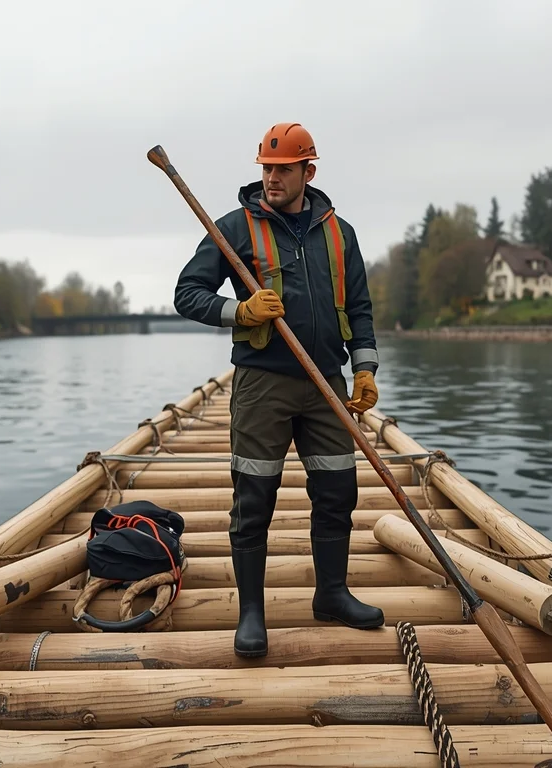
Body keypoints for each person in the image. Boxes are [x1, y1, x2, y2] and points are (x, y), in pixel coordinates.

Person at [173, 122, 383, 657]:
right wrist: (238, 310)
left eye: (283, 169)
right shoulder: (233, 229)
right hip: (263, 385)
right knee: (254, 497)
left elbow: (358, 309)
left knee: (338, 492)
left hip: (326, 384)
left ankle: (332, 594)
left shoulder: (340, 233)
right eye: (266, 168)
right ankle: (251, 614)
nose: (272, 178)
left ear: (307, 172)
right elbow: (187, 293)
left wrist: (365, 369)